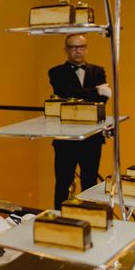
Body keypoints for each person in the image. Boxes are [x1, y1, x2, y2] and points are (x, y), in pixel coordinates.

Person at [48, 33, 111, 209]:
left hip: (92, 138)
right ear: (66, 50)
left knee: (90, 183)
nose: (77, 51)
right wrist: (97, 90)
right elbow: (68, 93)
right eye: (73, 47)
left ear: (87, 49)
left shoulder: (98, 70)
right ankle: (58, 222)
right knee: (62, 183)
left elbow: (101, 102)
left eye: (81, 47)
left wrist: (85, 95)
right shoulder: (56, 72)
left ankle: (89, 220)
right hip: (65, 138)